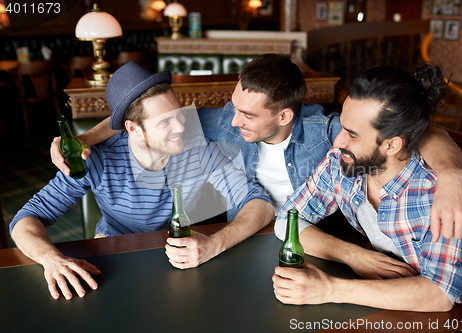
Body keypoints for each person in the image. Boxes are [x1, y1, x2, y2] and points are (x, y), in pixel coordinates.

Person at [51, 54, 462, 279]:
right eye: (234, 109)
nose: (231, 122)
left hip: (318, 240)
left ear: (284, 116)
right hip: (258, 236)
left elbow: (422, 133)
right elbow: (143, 115)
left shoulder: (331, 135)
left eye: (246, 116)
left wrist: (450, 175)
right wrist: (86, 137)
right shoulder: (228, 121)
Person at [10, 61, 274, 300]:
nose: (181, 127)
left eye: (179, 113)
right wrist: (50, 258)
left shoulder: (196, 147)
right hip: (113, 259)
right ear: (133, 129)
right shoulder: (96, 159)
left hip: (176, 259)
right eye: (165, 122)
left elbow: (259, 204)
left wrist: (215, 243)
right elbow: (27, 218)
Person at [272, 65, 462, 332]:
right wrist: (352, 255)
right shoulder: (343, 162)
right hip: (394, 305)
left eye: (352, 135)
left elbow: (440, 294)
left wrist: (328, 289)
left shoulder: (437, 191)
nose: (337, 142)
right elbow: (288, 219)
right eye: (343, 127)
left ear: (392, 144)